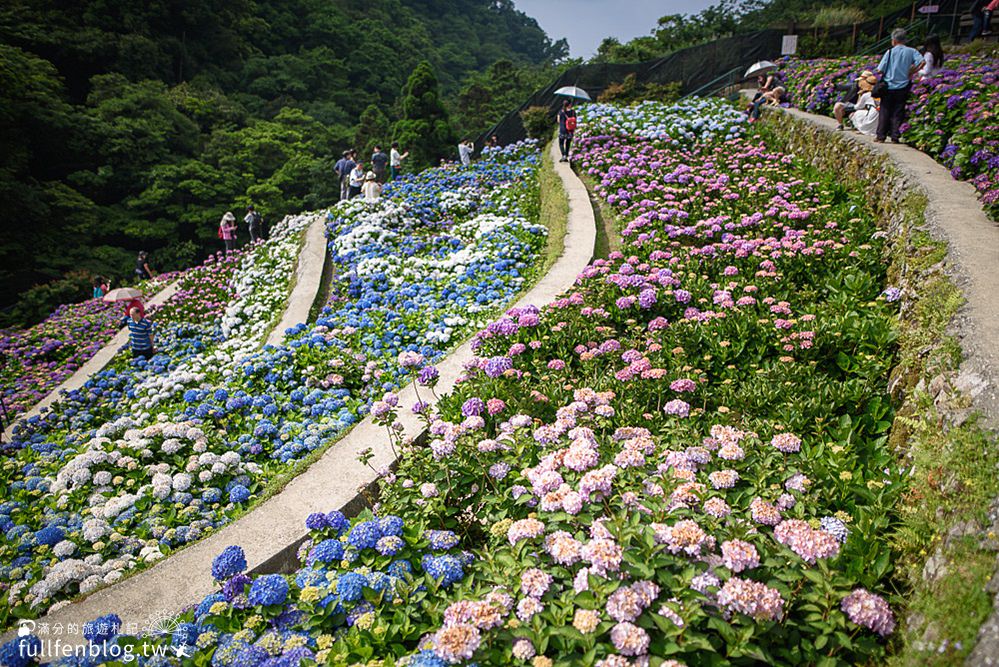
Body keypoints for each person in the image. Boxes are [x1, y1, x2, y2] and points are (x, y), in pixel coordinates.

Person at [875, 28, 923, 144]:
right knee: (898, 111)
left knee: (885, 110)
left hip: (889, 86)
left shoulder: (890, 52)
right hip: (903, 85)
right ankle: (895, 136)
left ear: (894, 40)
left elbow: (880, 70)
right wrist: (912, 71)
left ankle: (881, 136)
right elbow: (922, 62)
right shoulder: (912, 51)